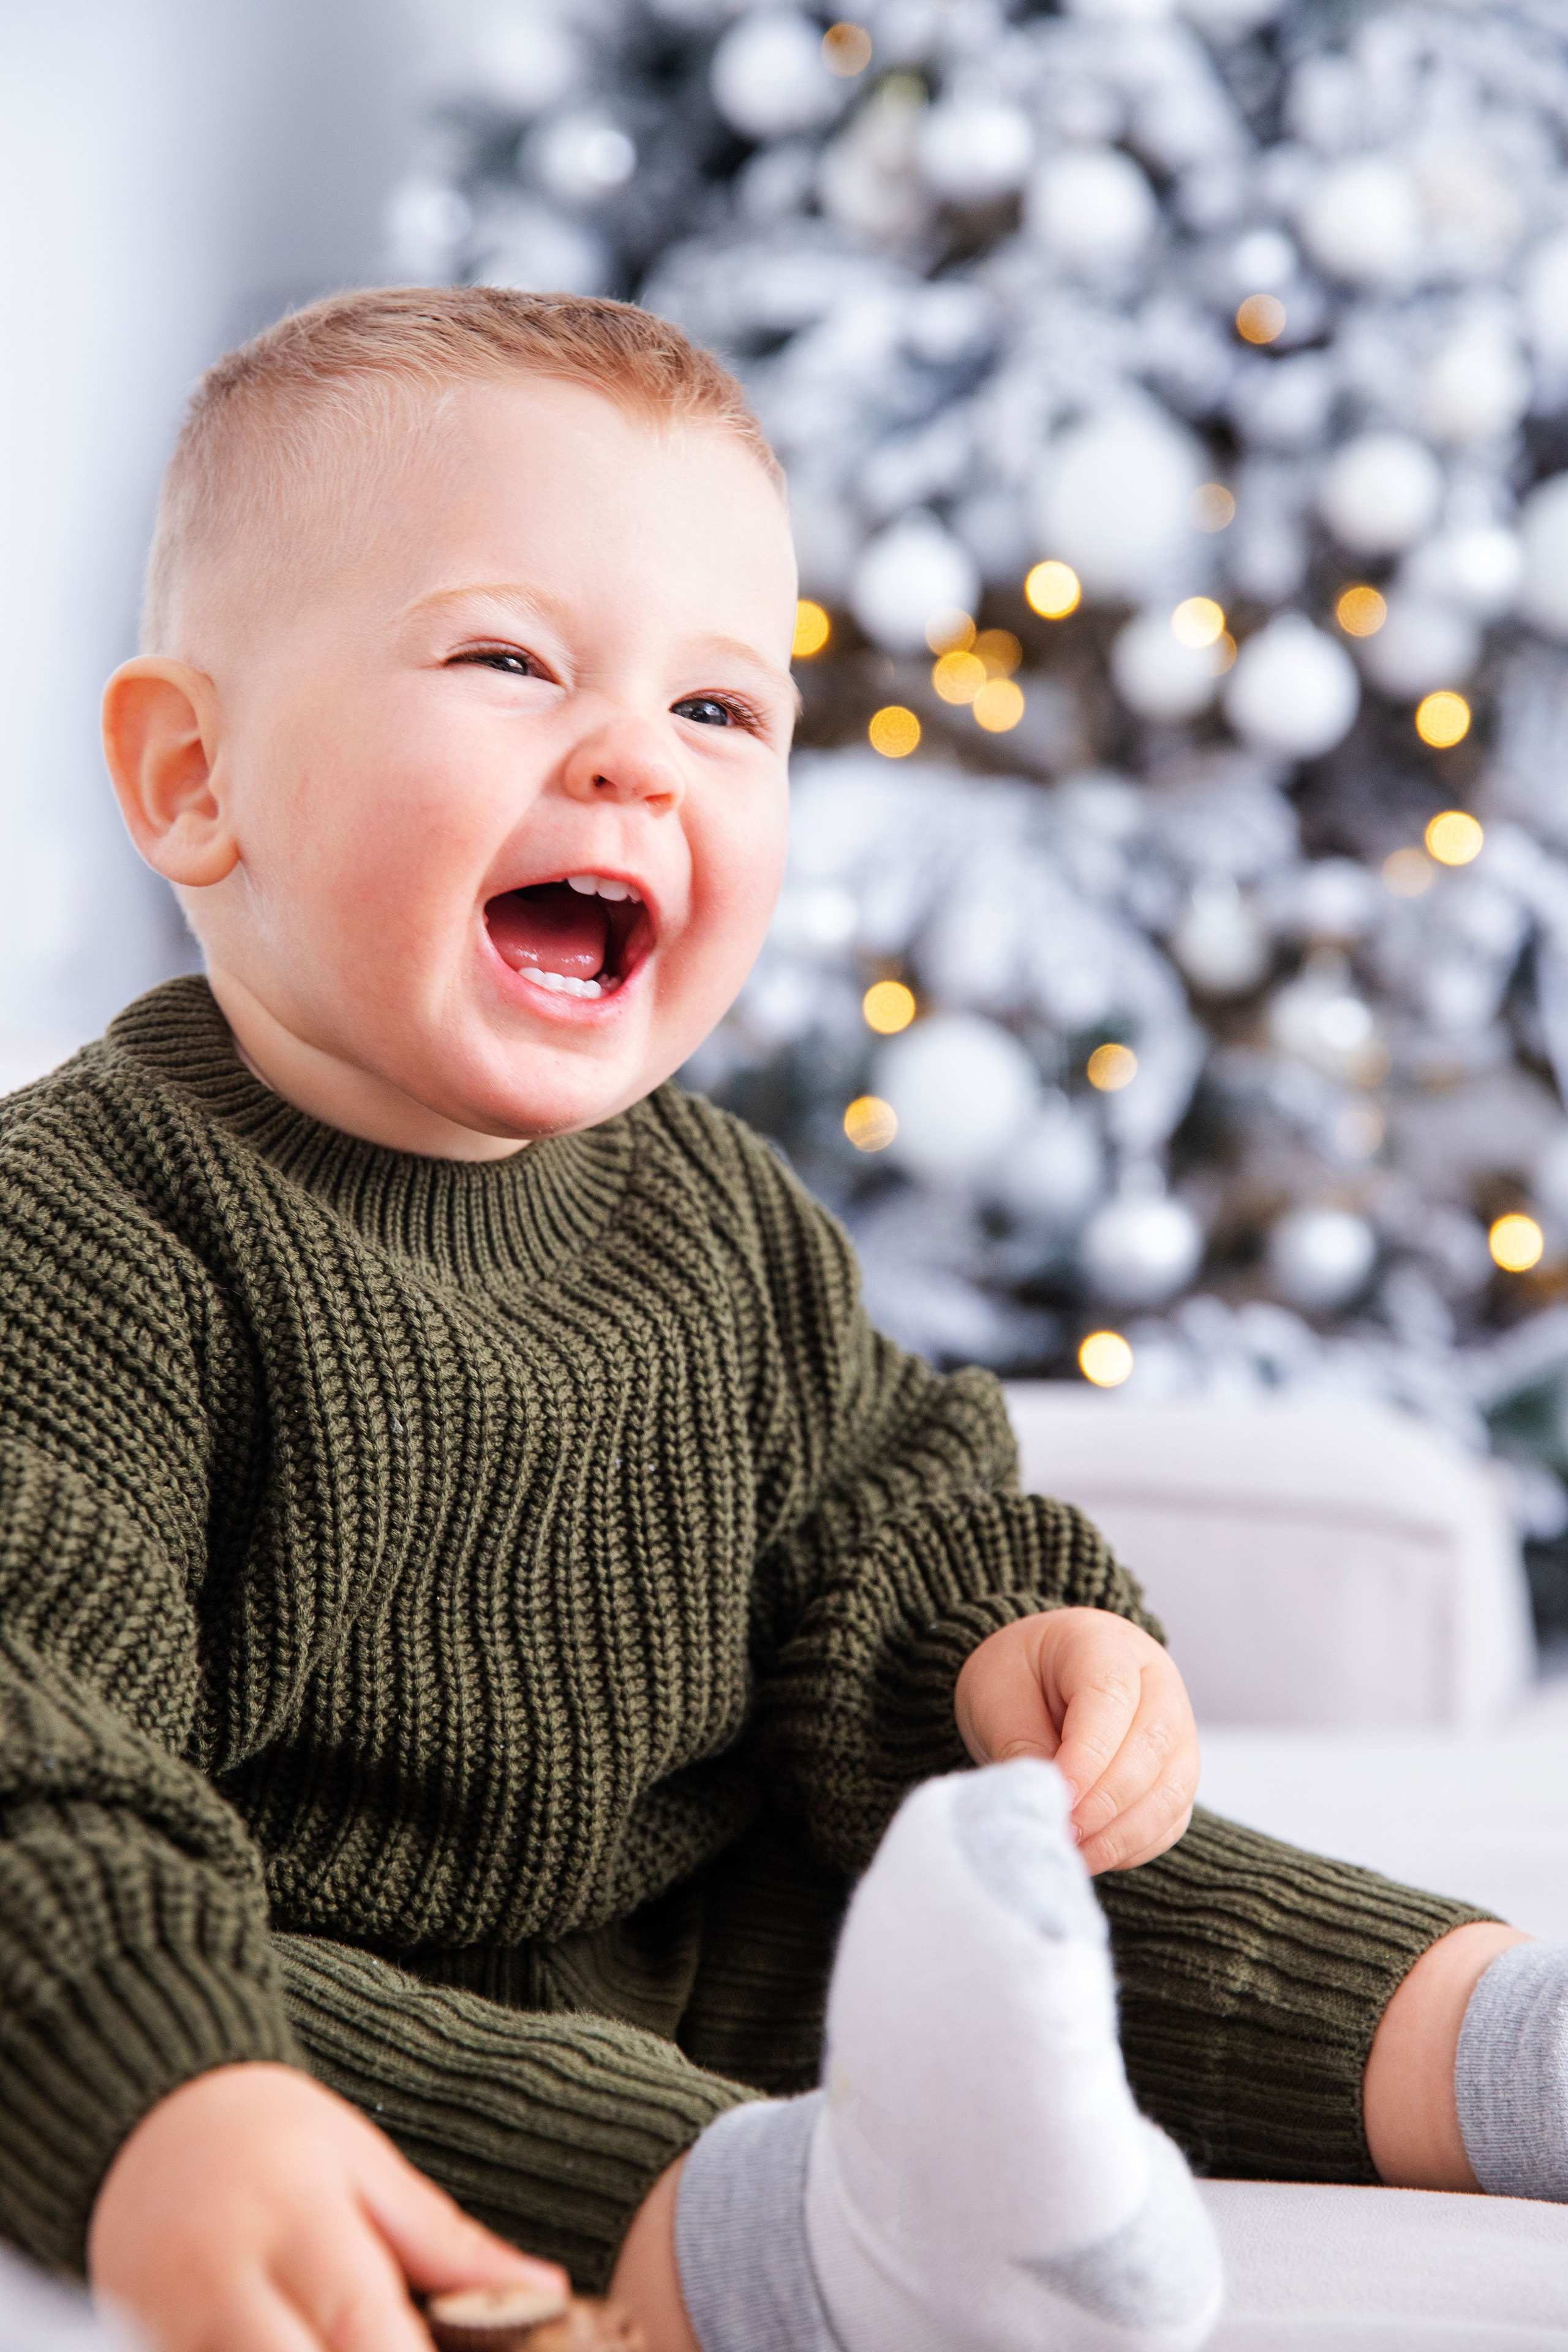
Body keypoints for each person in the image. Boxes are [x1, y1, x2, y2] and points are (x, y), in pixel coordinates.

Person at [0, 287, 1555, 2352]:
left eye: (724, 714)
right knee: (240, 2013)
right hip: (281, 1930)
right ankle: (805, 2234)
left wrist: (1012, 1640)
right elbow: (41, 1745)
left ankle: (1502, 2047)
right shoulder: (86, 1230)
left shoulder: (713, 1206)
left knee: (1045, 1885)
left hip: (715, 1920)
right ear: (197, 775)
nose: (635, 762)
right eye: (508, 660)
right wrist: (169, 2101)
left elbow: (881, 1509)